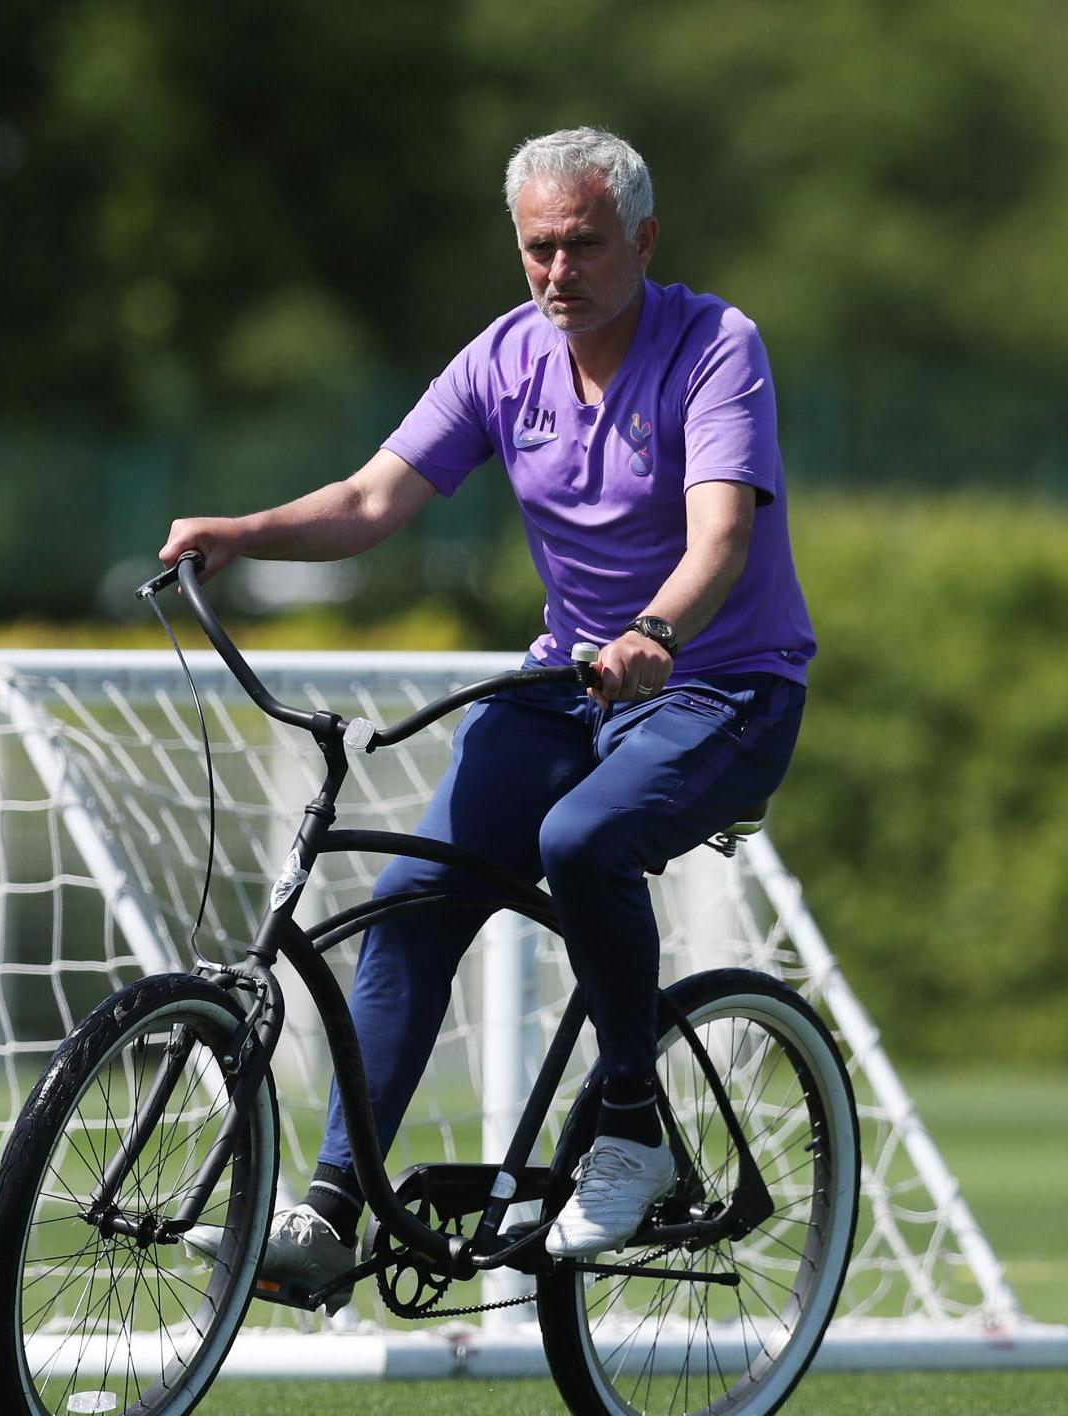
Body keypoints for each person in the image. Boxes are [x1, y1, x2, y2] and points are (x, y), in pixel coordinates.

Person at [161, 127, 814, 1302]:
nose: (558, 273)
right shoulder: (503, 359)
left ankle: (630, 1125)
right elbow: (371, 499)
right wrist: (240, 532)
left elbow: (721, 536)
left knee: (579, 842)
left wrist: (654, 634)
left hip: (722, 687)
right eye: (536, 250)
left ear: (644, 240)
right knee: (411, 900)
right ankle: (326, 1217)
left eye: (583, 246)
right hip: (569, 685)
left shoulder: (715, 346)